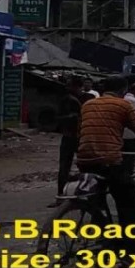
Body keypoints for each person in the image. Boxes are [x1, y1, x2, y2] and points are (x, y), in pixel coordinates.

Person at [76, 75, 135, 268]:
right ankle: (130, 257)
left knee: (99, 202)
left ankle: (106, 239)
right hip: (109, 161)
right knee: (130, 205)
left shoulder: (88, 104)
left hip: (84, 160)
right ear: (123, 90)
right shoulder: (123, 105)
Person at [51, 76, 91, 206]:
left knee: (86, 167)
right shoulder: (65, 99)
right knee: (64, 168)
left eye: (70, 85)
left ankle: (86, 194)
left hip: (82, 136)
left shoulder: (88, 98)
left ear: (78, 86)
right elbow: (58, 117)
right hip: (69, 136)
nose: (67, 88)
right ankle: (61, 197)